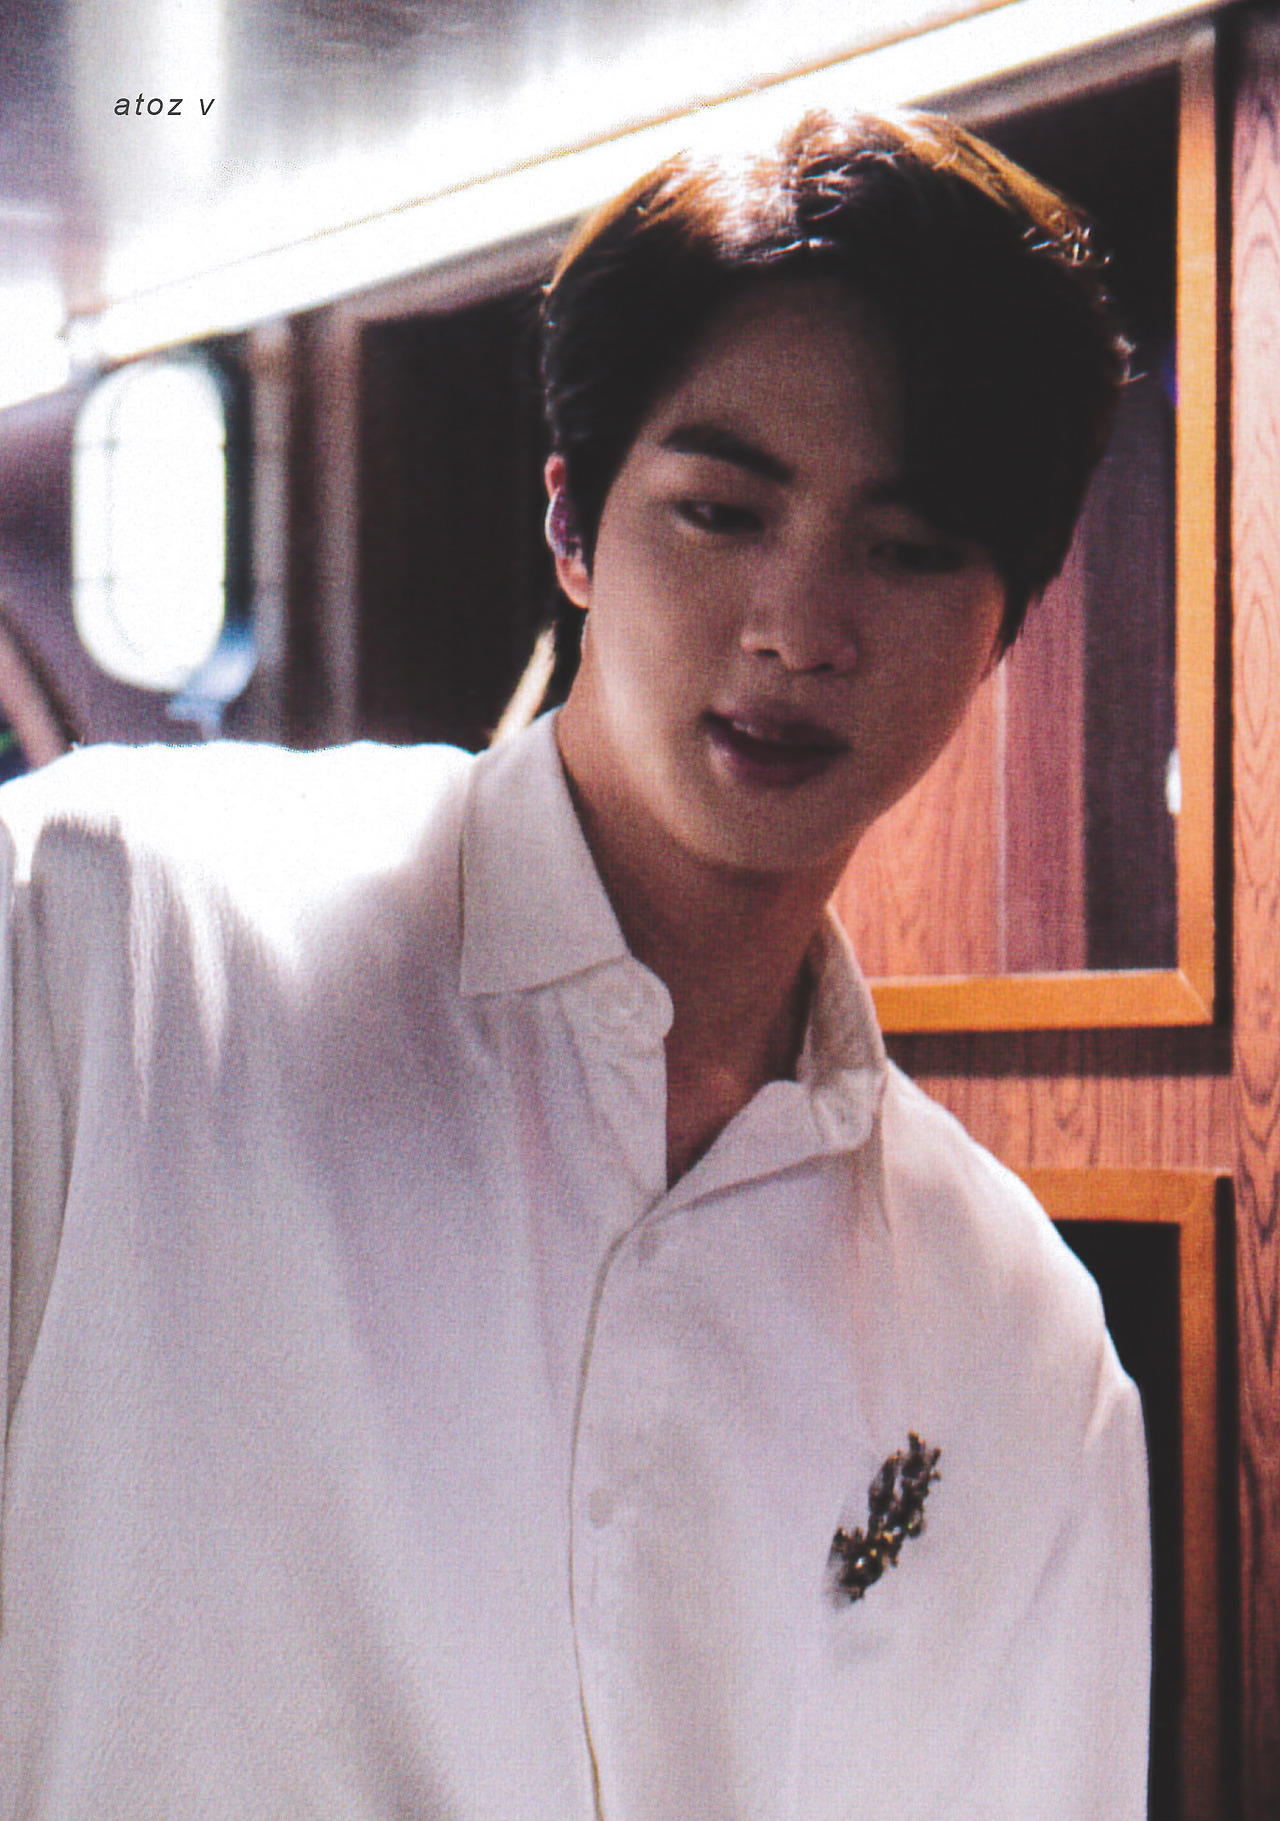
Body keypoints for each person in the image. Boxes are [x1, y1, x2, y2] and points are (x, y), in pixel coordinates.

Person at [0, 111, 1149, 1819]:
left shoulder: (1019, 1339)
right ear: (573, 524)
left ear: (1008, 623)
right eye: (719, 511)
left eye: (908, 549)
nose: (798, 627)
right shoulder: (110, 937)